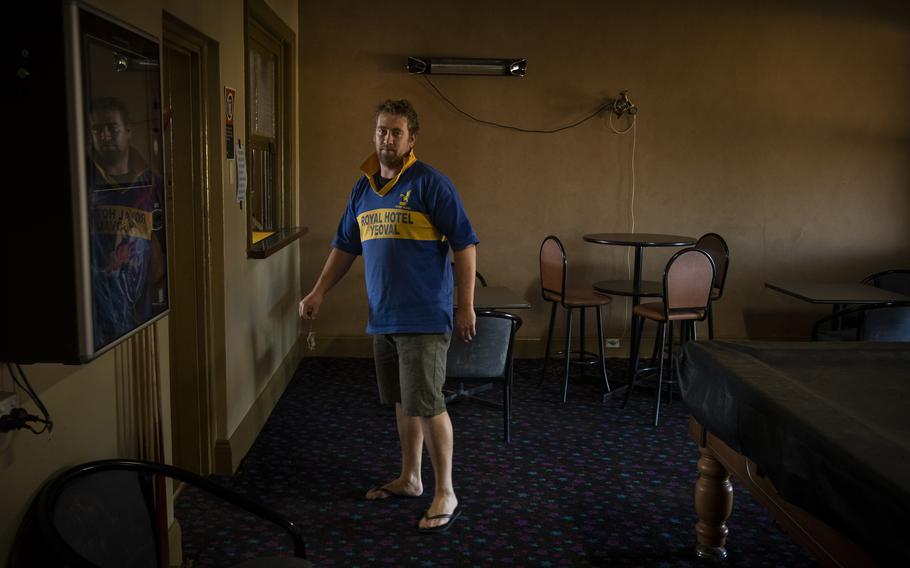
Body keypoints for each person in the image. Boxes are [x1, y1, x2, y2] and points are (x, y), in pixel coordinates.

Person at [298, 99, 478, 533]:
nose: (387, 139)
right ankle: (411, 478)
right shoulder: (362, 189)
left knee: (429, 403)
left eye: (396, 132)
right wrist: (318, 290)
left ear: (411, 139)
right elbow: (344, 247)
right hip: (384, 317)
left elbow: (465, 244)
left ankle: (446, 491)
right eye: (381, 130)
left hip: (424, 317)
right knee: (403, 402)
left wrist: (465, 304)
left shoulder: (431, 183)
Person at [88, 96, 167, 348]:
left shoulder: (150, 183)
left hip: (140, 312)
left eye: (112, 127)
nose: (105, 135)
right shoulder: (84, 184)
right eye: (98, 129)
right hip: (96, 316)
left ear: (128, 131)